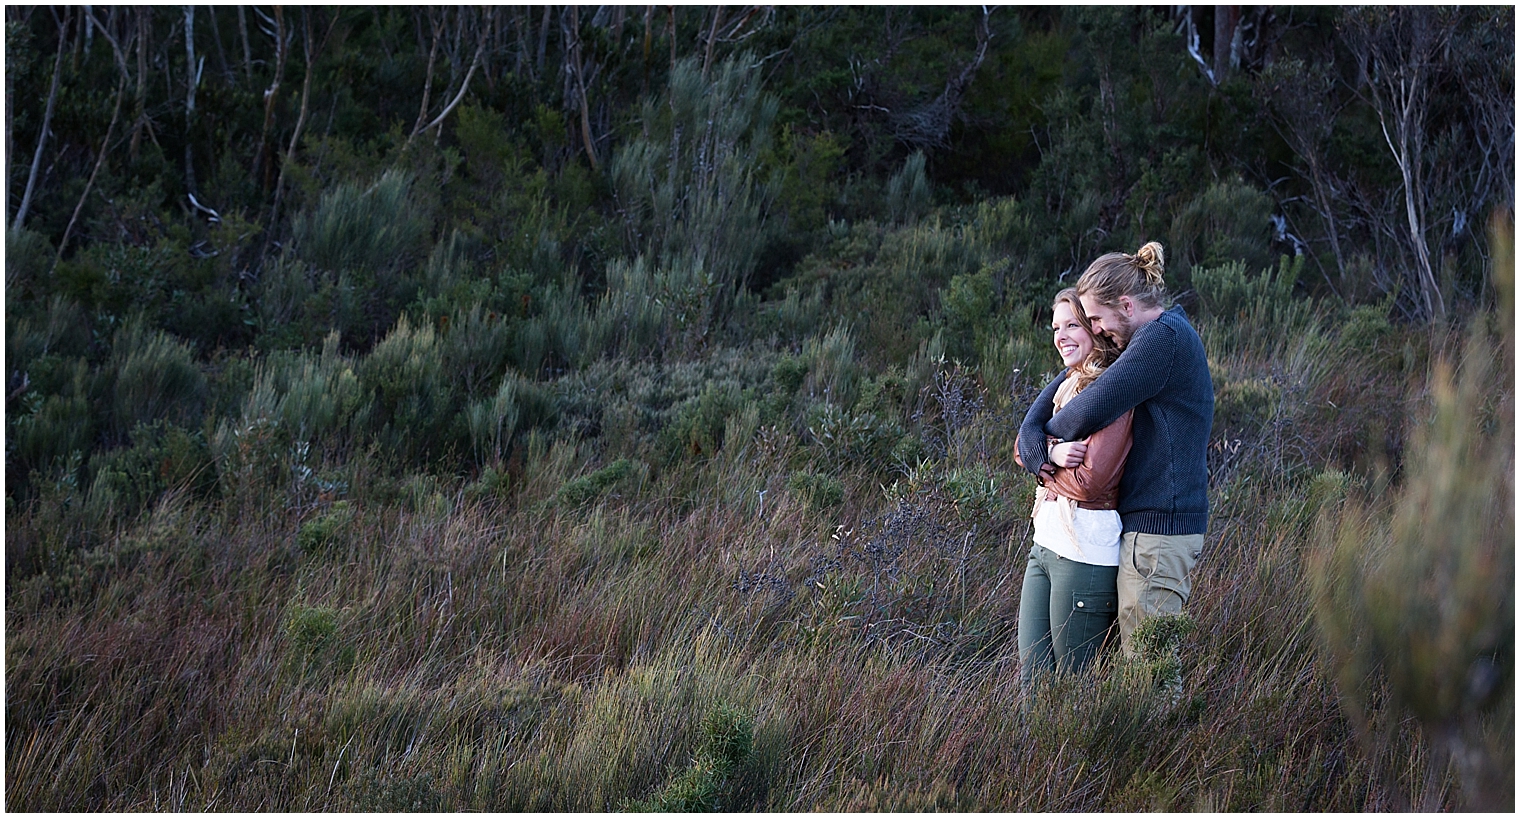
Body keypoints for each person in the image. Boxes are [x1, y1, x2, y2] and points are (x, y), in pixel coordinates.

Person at [1017, 241, 1213, 659]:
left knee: (1149, 665)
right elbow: (1063, 391)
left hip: (1162, 529)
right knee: (1136, 659)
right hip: (1147, 525)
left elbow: (1092, 406)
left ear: (1125, 305)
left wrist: (1039, 441)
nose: (1097, 329)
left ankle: (1156, 728)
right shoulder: (1159, 336)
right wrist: (1035, 439)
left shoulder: (1162, 340)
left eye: (1097, 319)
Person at [1013, 288, 1132, 685]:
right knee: (1033, 683)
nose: (1060, 336)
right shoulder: (1066, 384)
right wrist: (1053, 449)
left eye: (1071, 325)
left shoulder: (1114, 391)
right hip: (1045, 545)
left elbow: (1087, 483)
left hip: (1084, 553)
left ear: (1095, 329)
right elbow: (1020, 449)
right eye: (1055, 327)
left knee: (1074, 692)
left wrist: (1041, 460)